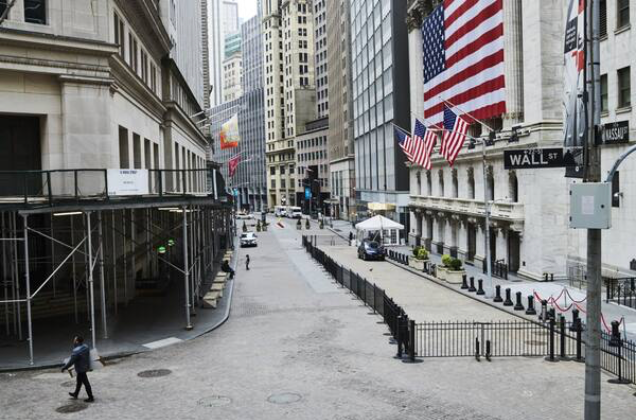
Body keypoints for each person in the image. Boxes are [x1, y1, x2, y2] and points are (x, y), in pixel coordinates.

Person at [61, 336, 94, 403]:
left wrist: (64, 367)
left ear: (77, 341)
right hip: (85, 367)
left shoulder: (76, 351)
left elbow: (71, 362)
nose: (73, 341)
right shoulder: (86, 347)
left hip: (80, 369)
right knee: (79, 381)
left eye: (74, 340)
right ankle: (76, 394)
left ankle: (90, 397)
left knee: (86, 383)